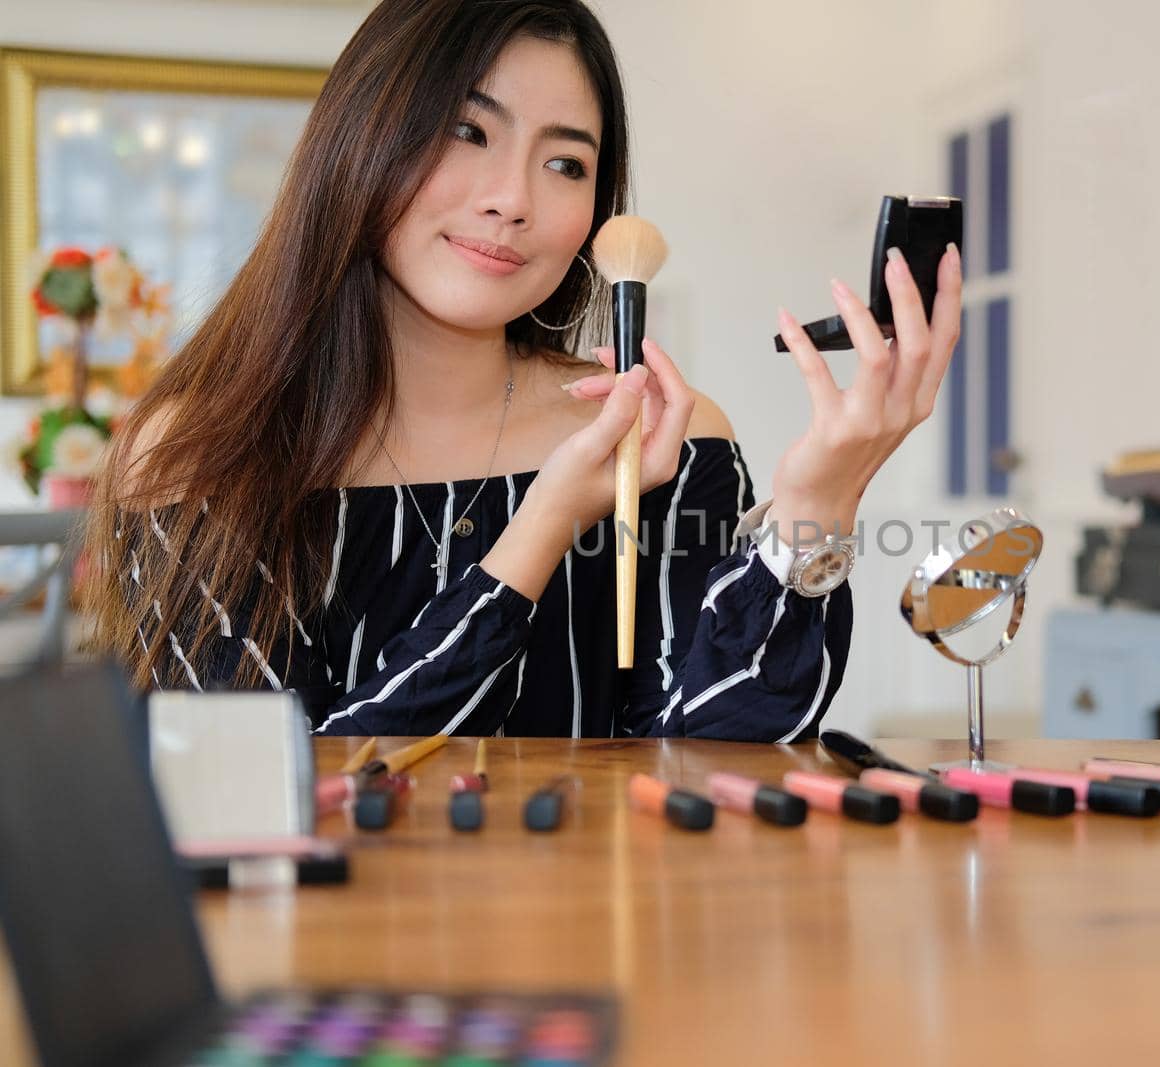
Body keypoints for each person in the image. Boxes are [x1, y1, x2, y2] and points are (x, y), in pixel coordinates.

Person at [81, 0, 961, 740]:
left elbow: (717, 752)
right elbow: (286, 796)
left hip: (610, 944)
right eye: (468, 131)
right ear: (360, 139)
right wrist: (543, 525)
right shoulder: (198, 453)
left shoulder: (659, 439)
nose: (514, 199)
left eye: (566, 162)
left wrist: (817, 506)